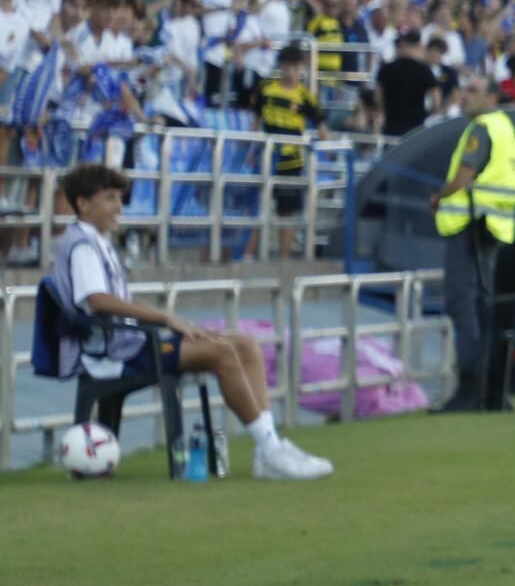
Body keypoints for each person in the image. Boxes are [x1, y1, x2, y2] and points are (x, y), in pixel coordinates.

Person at [47, 162, 332, 480]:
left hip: (130, 344)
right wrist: (165, 317)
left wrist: (174, 322)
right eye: (110, 198)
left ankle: (269, 448)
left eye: (119, 198)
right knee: (222, 352)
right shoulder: (82, 245)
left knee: (246, 344)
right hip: (112, 355)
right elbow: (99, 301)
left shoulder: (97, 241)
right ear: (84, 204)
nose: (119, 206)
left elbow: (118, 300)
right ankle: (269, 449)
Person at [429, 76, 515, 412]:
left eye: (473, 91)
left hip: (470, 226)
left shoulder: (482, 128)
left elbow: (465, 175)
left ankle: (471, 391)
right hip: (490, 228)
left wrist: (440, 195)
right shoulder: (505, 128)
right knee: (482, 308)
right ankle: (492, 393)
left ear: (492, 97)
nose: (464, 96)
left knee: (463, 305)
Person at [257, 43, 323, 259]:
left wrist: (330, 148)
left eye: (296, 67)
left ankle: (284, 257)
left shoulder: (305, 97)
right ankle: (253, 255)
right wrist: (250, 152)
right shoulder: (266, 90)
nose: (291, 72)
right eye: (287, 66)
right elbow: (255, 122)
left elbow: (321, 125)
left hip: (291, 161)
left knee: (287, 210)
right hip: (267, 158)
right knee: (259, 207)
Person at [375, 34, 442, 137]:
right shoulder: (424, 70)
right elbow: (436, 100)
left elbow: (378, 98)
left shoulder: (387, 69)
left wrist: (383, 110)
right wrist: (428, 113)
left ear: (402, 45)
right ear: (418, 46)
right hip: (416, 127)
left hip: (391, 126)